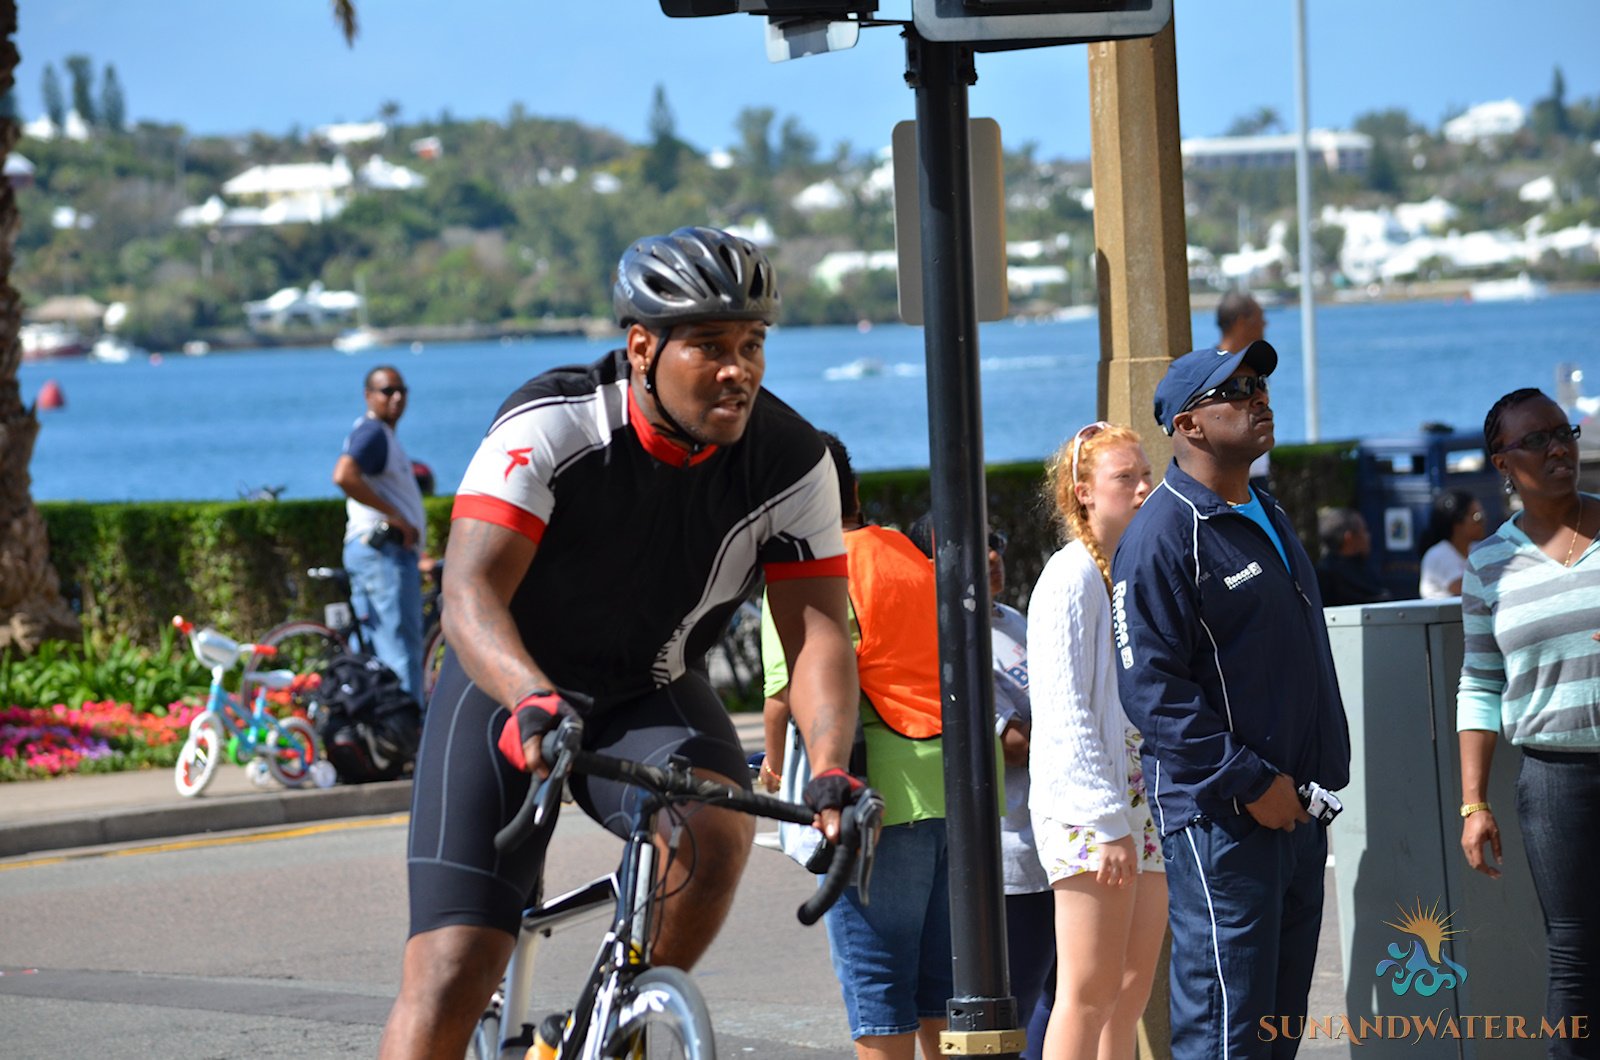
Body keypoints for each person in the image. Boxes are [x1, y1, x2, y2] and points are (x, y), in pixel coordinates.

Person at [378, 227, 863, 1060]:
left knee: (715, 832)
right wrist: (530, 697)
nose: (737, 369)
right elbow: (468, 592)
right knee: (454, 967)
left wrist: (828, 765)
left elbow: (817, 635)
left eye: (752, 345)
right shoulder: (554, 425)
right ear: (642, 347)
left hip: (648, 685)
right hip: (507, 686)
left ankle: (605, 1027)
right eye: (709, 346)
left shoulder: (792, 462)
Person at [1112, 341, 1351, 1060]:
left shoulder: (1264, 510)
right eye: (1238, 390)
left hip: (1295, 811)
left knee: (1277, 1031)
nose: (1259, 398)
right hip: (1226, 820)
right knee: (1227, 1033)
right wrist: (1250, 785)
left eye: (1261, 385)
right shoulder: (1162, 533)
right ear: (1189, 425)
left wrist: (1300, 790)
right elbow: (1151, 691)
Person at [759, 437, 955, 1060]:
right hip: (956, 791)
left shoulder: (806, 577)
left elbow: (787, 692)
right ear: (855, 494)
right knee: (945, 994)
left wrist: (770, 763)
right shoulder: (909, 553)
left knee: (879, 994)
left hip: (873, 801)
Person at [1458, 388, 1599, 1057]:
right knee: (1575, 957)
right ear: (1502, 464)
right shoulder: (1489, 563)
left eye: (1562, 432)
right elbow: (1480, 685)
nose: (1557, 448)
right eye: (1536, 440)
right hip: (1555, 782)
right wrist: (1473, 802)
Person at [1028, 421, 1166, 1060]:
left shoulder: (1126, 570)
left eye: (1146, 474)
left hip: (1139, 804)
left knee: (1130, 989)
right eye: (1125, 478)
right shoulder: (1069, 577)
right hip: (1092, 811)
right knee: (1086, 993)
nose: (1144, 488)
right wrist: (1106, 820)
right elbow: (1064, 713)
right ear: (1083, 491)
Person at [909, 510, 1052, 1059]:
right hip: (1009, 857)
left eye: (993, 541)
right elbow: (1010, 746)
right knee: (1012, 1007)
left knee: (1059, 998)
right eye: (972, 546)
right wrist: (1074, 735)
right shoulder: (948, 640)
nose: (990, 555)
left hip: (1056, 843)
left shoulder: (1012, 620)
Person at [332, 365, 427, 697]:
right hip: (384, 551)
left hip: (374, 552)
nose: (397, 397)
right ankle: (410, 741)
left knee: (373, 650)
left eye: (402, 390)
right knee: (399, 649)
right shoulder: (372, 433)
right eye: (387, 391)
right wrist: (395, 516)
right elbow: (344, 475)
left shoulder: (379, 435)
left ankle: (379, 735)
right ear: (368, 396)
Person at [1215, 291, 1271, 489]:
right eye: (1259, 318)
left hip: (1257, 476)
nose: (1265, 324)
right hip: (1232, 480)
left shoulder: (1256, 365)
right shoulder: (1211, 374)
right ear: (1240, 322)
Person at [1417, 488, 1487, 598]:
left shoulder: (1476, 549)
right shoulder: (1438, 554)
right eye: (1477, 517)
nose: (1482, 521)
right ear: (1457, 524)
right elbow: (1463, 587)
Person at [1314, 507, 1390, 606]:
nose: (1368, 536)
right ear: (1349, 538)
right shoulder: (1329, 576)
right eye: (1364, 530)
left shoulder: (1363, 568)